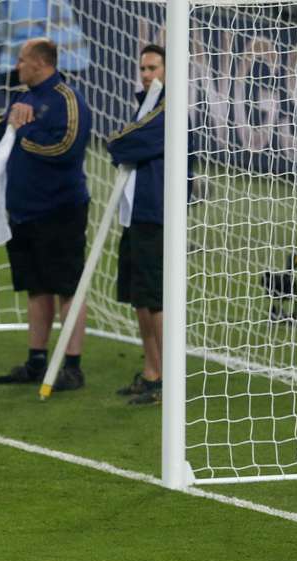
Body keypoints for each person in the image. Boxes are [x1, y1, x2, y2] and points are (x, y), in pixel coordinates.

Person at [0, 38, 92, 392]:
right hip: (24, 210)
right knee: (36, 287)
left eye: (21, 60)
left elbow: (66, 147)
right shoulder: (23, 98)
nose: (17, 66)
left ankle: (72, 366)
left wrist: (24, 130)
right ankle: (36, 359)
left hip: (60, 210)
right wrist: (12, 124)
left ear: (41, 63)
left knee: (67, 287)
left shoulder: (67, 98)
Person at [107, 44, 167, 405]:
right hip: (136, 214)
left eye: (153, 67)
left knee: (155, 298)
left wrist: (118, 140)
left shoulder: (166, 111)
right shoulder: (146, 107)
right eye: (143, 68)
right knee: (139, 298)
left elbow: (126, 142)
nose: (146, 74)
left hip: (155, 214)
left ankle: (166, 381)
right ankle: (152, 371)